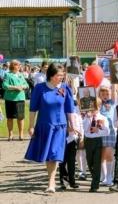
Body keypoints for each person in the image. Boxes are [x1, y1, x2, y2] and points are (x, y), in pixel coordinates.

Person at [25, 63, 76, 193]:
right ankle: (51, 180)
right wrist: (31, 126)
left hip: (60, 127)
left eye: (63, 74)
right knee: (48, 155)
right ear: (51, 76)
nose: (62, 77)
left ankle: (51, 182)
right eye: (59, 75)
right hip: (45, 126)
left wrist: (72, 125)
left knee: (54, 153)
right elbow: (33, 109)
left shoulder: (65, 88)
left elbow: (70, 110)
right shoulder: (39, 88)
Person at [83, 98, 109, 192]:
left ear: (99, 107)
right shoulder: (87, 117)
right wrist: (87, 117)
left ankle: (94, 184)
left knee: (97, 163)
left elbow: (107, 132)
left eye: (96, 106)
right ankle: (96, 178)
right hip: (89, 141)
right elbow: (84, 129)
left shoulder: (102, 117)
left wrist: (98, 131)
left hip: (98, 141)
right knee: (90, 163)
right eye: (92, 106)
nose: (94, 109)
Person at [2, 60, 29, 141]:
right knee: (10, 117)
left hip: (20, 99)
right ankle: (10, 134)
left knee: (20, 117)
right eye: (18, 65)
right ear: (13, 65)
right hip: (10, 99)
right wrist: (15, 87)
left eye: (20, 65)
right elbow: (4, 85)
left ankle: (21, 134)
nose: (20, 66)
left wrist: (23, 87)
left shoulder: (21, 75)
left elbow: (26, 85)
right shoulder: (7, 74)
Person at [99, 85, 117, 186]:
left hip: (110, 131)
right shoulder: (97, 103)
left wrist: (114, 83)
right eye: (103, 94)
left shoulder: (112, 102)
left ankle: (110, 176)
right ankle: (104, 176)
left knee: (109, 154)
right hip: (100, 132)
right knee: (102, 155)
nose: (105, 96)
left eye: (107, 94)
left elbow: (114, 90)